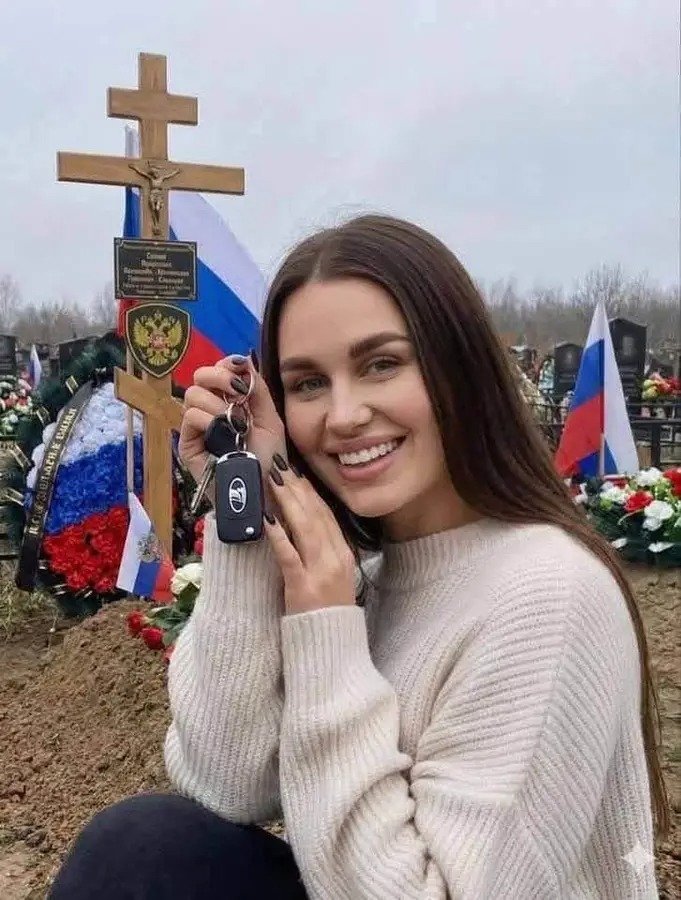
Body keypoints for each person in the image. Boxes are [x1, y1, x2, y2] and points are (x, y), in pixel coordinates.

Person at [50, 215, 669, 899]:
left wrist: (328, 630)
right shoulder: (370, 573)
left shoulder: (547, 592)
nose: (343, 416)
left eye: (381, 364)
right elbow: (226, 783)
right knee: (150, 848)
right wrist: (247, 510)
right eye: (308, 384)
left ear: (458, 368)